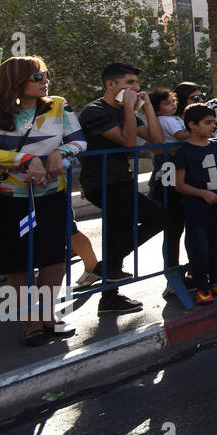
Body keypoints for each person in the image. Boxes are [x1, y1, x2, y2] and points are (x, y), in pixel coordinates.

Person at [0, 57, 87, 344]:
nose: (44, 80)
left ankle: (48, 316)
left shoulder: (58, 105)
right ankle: (30, 321)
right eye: (36, 76)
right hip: (11, 199)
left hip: (52, 195)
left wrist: (62, 152)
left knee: (53, 258)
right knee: (18, 262)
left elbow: (79, 141)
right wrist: (26, 159)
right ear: (16, 80)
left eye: (45, 74)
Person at [78, 62, 166, 315]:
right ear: (111, 85)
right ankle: (104, 268)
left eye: (137, 84)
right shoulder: (95, 111)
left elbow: (156, 140)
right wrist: (129, 108)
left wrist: (147, 107)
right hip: (102, 182)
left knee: (118, 236)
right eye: (129, 83)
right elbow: (128, 141)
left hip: (120, 181)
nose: (136, 88)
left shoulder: (127, 111)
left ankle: (109, 298)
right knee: (159, 216)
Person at [173, 104, 217, 304]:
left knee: (215, 244)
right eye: (207, 123)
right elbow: (179, 185)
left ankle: (216, 281)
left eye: (213, 122)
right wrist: (201, 193)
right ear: (192, 125)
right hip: (196, 206)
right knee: (198, 246)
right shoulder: (184, 151)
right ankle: (202, 286)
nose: (212, 126)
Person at [149, 87, 189, 295]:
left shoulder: (175, 119)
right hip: (169, 180)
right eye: (167, 103)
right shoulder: (166, 122)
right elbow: (179, 138)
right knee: (173, 229)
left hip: (183, 178)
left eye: (173, 102)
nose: (172, 105)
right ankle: (173, 276)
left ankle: (187, 272)